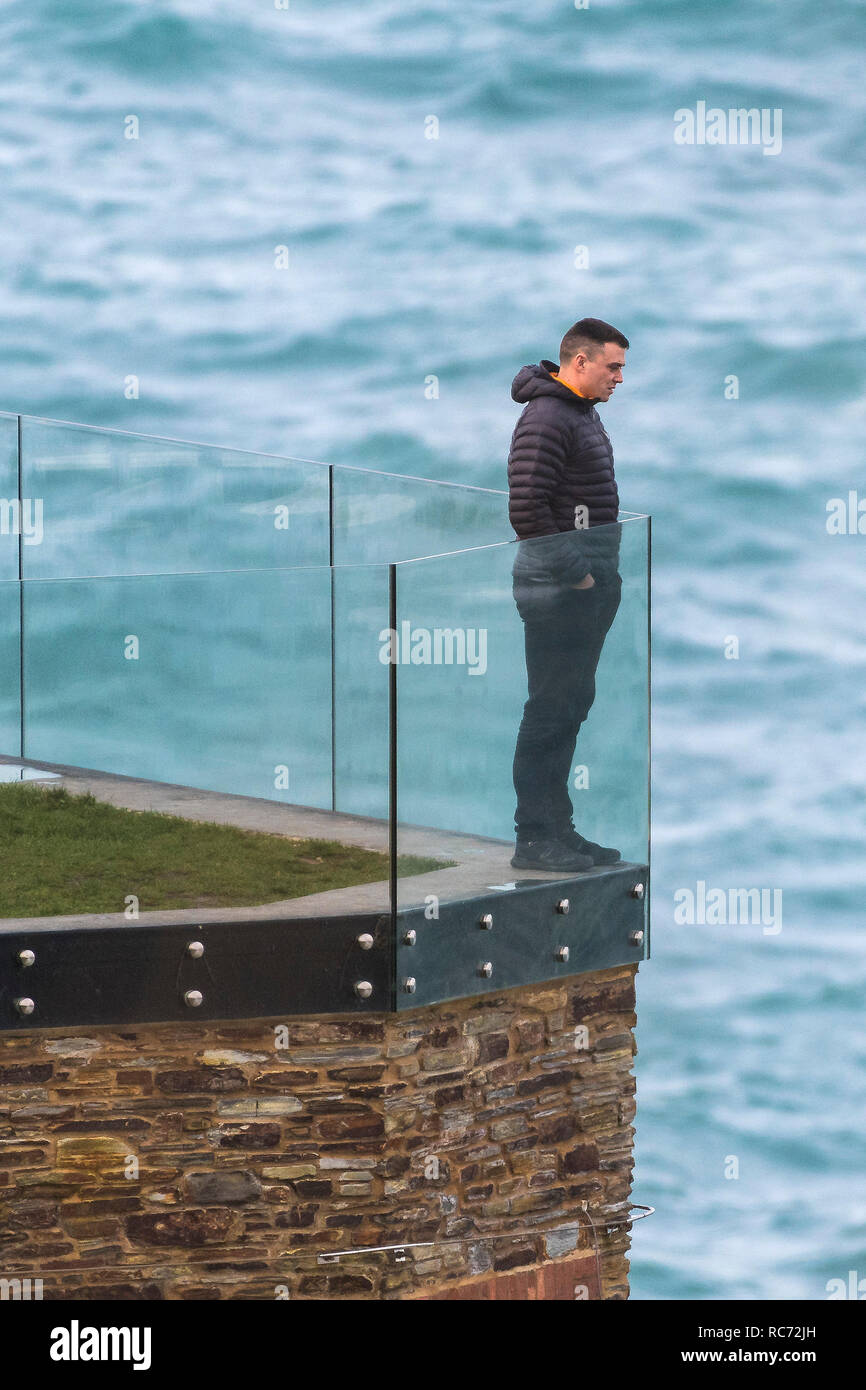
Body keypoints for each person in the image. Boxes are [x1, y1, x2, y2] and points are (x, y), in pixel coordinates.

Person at [508, 317, 629, 872]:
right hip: (556, 589)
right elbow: (528, 509)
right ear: (579, 362)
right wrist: (580, 576)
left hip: (580, 586)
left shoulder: (577, 411)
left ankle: (558, 828)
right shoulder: (548, 416)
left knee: (571, 705)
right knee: (550, 710)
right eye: (613, 366)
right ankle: (534, 838)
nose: (620, 378)